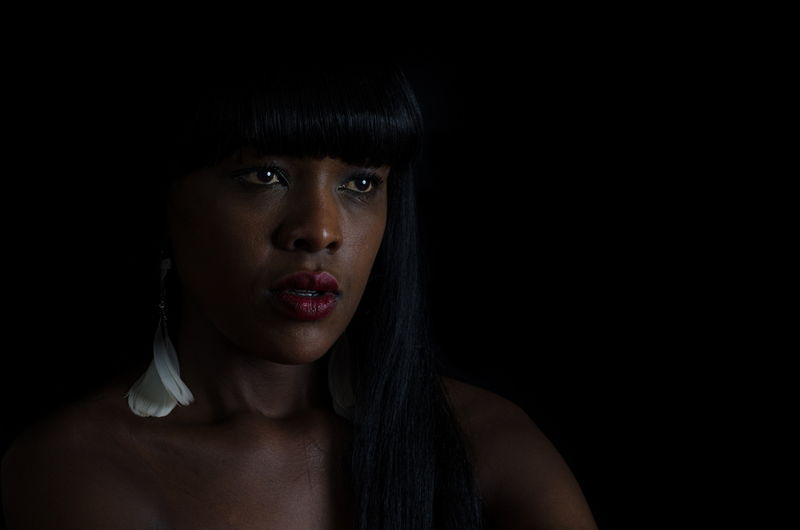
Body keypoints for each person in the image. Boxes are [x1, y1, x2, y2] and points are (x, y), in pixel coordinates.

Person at [1, 62, 598, 529]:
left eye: (360, 182)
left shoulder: (481, 438)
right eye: (265, 176)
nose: (320, 230)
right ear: (166, 202)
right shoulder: (81, 464)